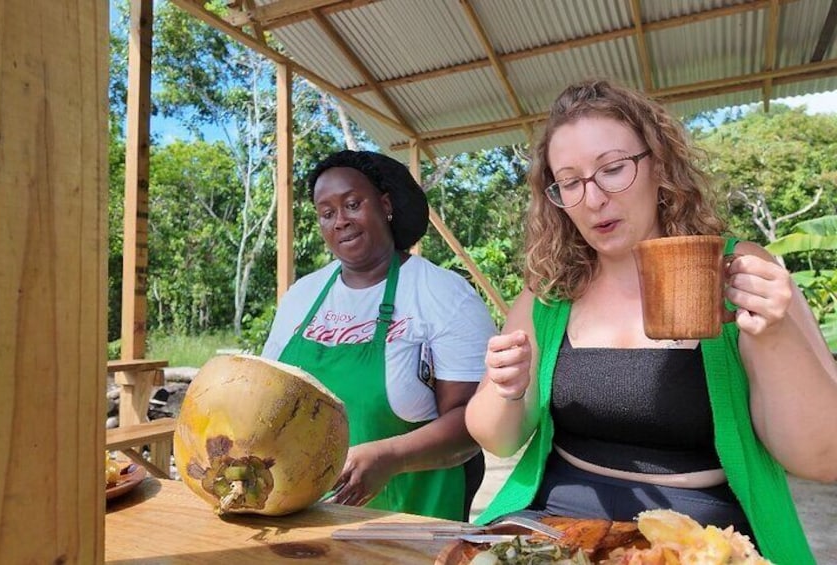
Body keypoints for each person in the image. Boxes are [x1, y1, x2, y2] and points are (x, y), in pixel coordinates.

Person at [465, 80, 837, 563]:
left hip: (701, 538)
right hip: (556, 526)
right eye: (571, 182)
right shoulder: (550, 294)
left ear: (658, 166)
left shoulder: (736, 271)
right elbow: (496, 437)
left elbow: (822, 458)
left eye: (613, 169)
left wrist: (775, 333)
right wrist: (505, 388)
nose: (593, 199)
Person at [262, 149, 497, 521]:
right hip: (306, 516)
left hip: (410, 518)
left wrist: (391, 457)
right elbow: (267, 393)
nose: (340, 221)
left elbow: (473, 424)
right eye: (327, 213)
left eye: (353, 204)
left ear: (384, 205)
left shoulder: (443, 295)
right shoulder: (302, 296)